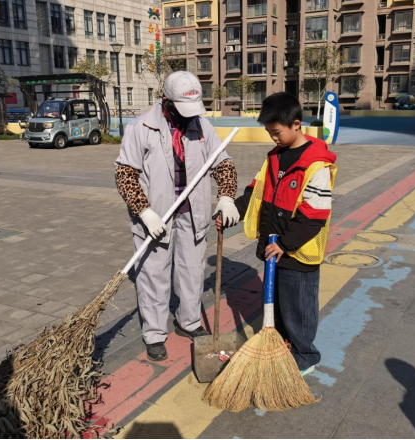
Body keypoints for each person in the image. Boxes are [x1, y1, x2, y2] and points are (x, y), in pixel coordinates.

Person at [115, 72, 240, 362]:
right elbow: (125, 173)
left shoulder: (202, 125)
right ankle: (154, 333)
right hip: (155, 216)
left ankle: (189, 321)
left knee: (192, 271)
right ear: (166, 102)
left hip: (193, 213)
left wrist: (226, 196)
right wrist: (144, 211)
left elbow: (223, 163)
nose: (188, 117)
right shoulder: (140, 128)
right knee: (153, 275)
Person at [218, 93, 337, 375]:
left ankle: (305, 355)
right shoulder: (273, 157)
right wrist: (233, 210)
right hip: (274, 245)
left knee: (299, 306)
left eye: (277, 132)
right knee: (281, 303)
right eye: (269, 132)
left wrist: (285, 243)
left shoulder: (316, 163)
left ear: (296, 124)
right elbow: (256, 191)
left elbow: (314, 215)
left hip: (298, 250)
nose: (273, 138)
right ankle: (284, 345)